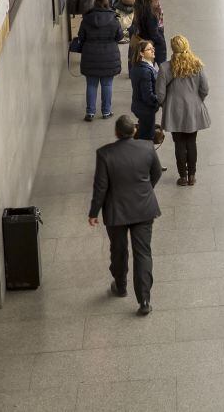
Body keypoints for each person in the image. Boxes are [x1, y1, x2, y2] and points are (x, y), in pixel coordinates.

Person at [88, 114, 162, 316]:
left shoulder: (104, 154)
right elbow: (157, 173)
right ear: (134, 131)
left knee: (118, 250)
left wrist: (94, 212)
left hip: (116, 211)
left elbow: (101, 186)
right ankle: (144, 300)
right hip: (143, 209)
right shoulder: (147, 147)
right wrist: (147, 190)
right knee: (143, 253)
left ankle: (120, 286)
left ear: (116, 133)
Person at [156, 35, 210, 186]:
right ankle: (192, 175)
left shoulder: (165, 67)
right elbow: (205, 88)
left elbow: (160, 93)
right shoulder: (197, 65)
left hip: (174, 110)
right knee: (191, 141)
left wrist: (164, 104)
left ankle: (183, 177)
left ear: (172, 49)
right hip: (193, 109)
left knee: (178, 143)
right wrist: (197, 100)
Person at [78, 0, 124, 121]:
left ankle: (90, 112)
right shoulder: (114, 19)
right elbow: (119, 37)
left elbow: (81, 36)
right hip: (109, 55)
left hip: (90, 55)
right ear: (107, 5)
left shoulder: (87, 19)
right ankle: (106, 111)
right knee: (107, 84)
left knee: (91, 85)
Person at [129, 41, 159, 142]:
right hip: (146, 109)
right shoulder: (145, 71)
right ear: (141, 53)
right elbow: (148, 95)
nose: (153, 50)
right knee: (147, 137)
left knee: (144, 131)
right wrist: (159, 101)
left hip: (139, 107)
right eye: (149, 49)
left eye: (153, 48)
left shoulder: (138, 66)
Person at [133, 0, 166, 65]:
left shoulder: (142, 5)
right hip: (154, 42)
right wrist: (161, 41)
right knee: (161, 65)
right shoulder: (151, 10)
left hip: (144, 38)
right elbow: (153, 32)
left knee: (148, 64)